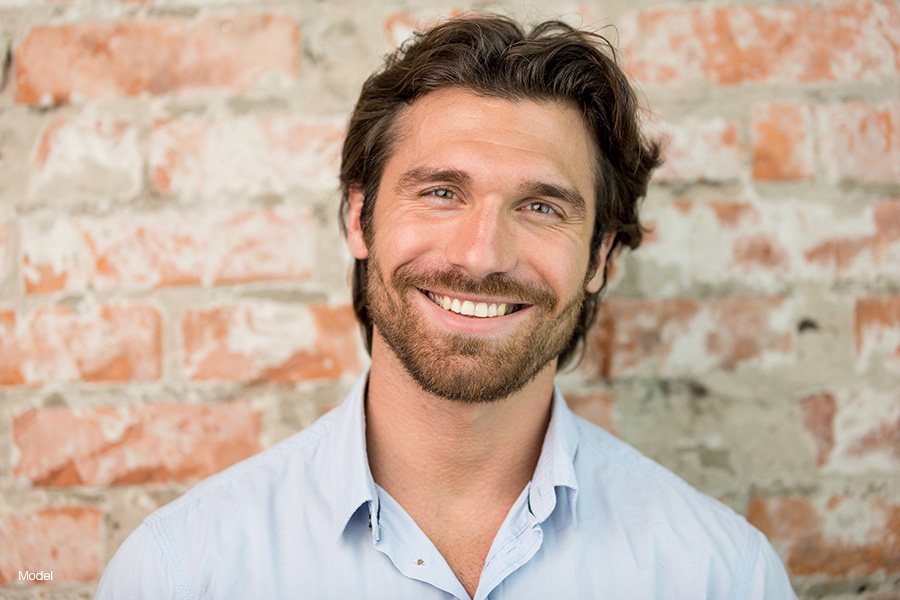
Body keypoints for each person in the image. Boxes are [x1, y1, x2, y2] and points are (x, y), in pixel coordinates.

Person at [96, 13, 797, 600]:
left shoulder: (722, 575)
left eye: (541, 206)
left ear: (601, 259)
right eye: (440, 192)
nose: (481, 255)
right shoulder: (180, 571)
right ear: (358, 217)